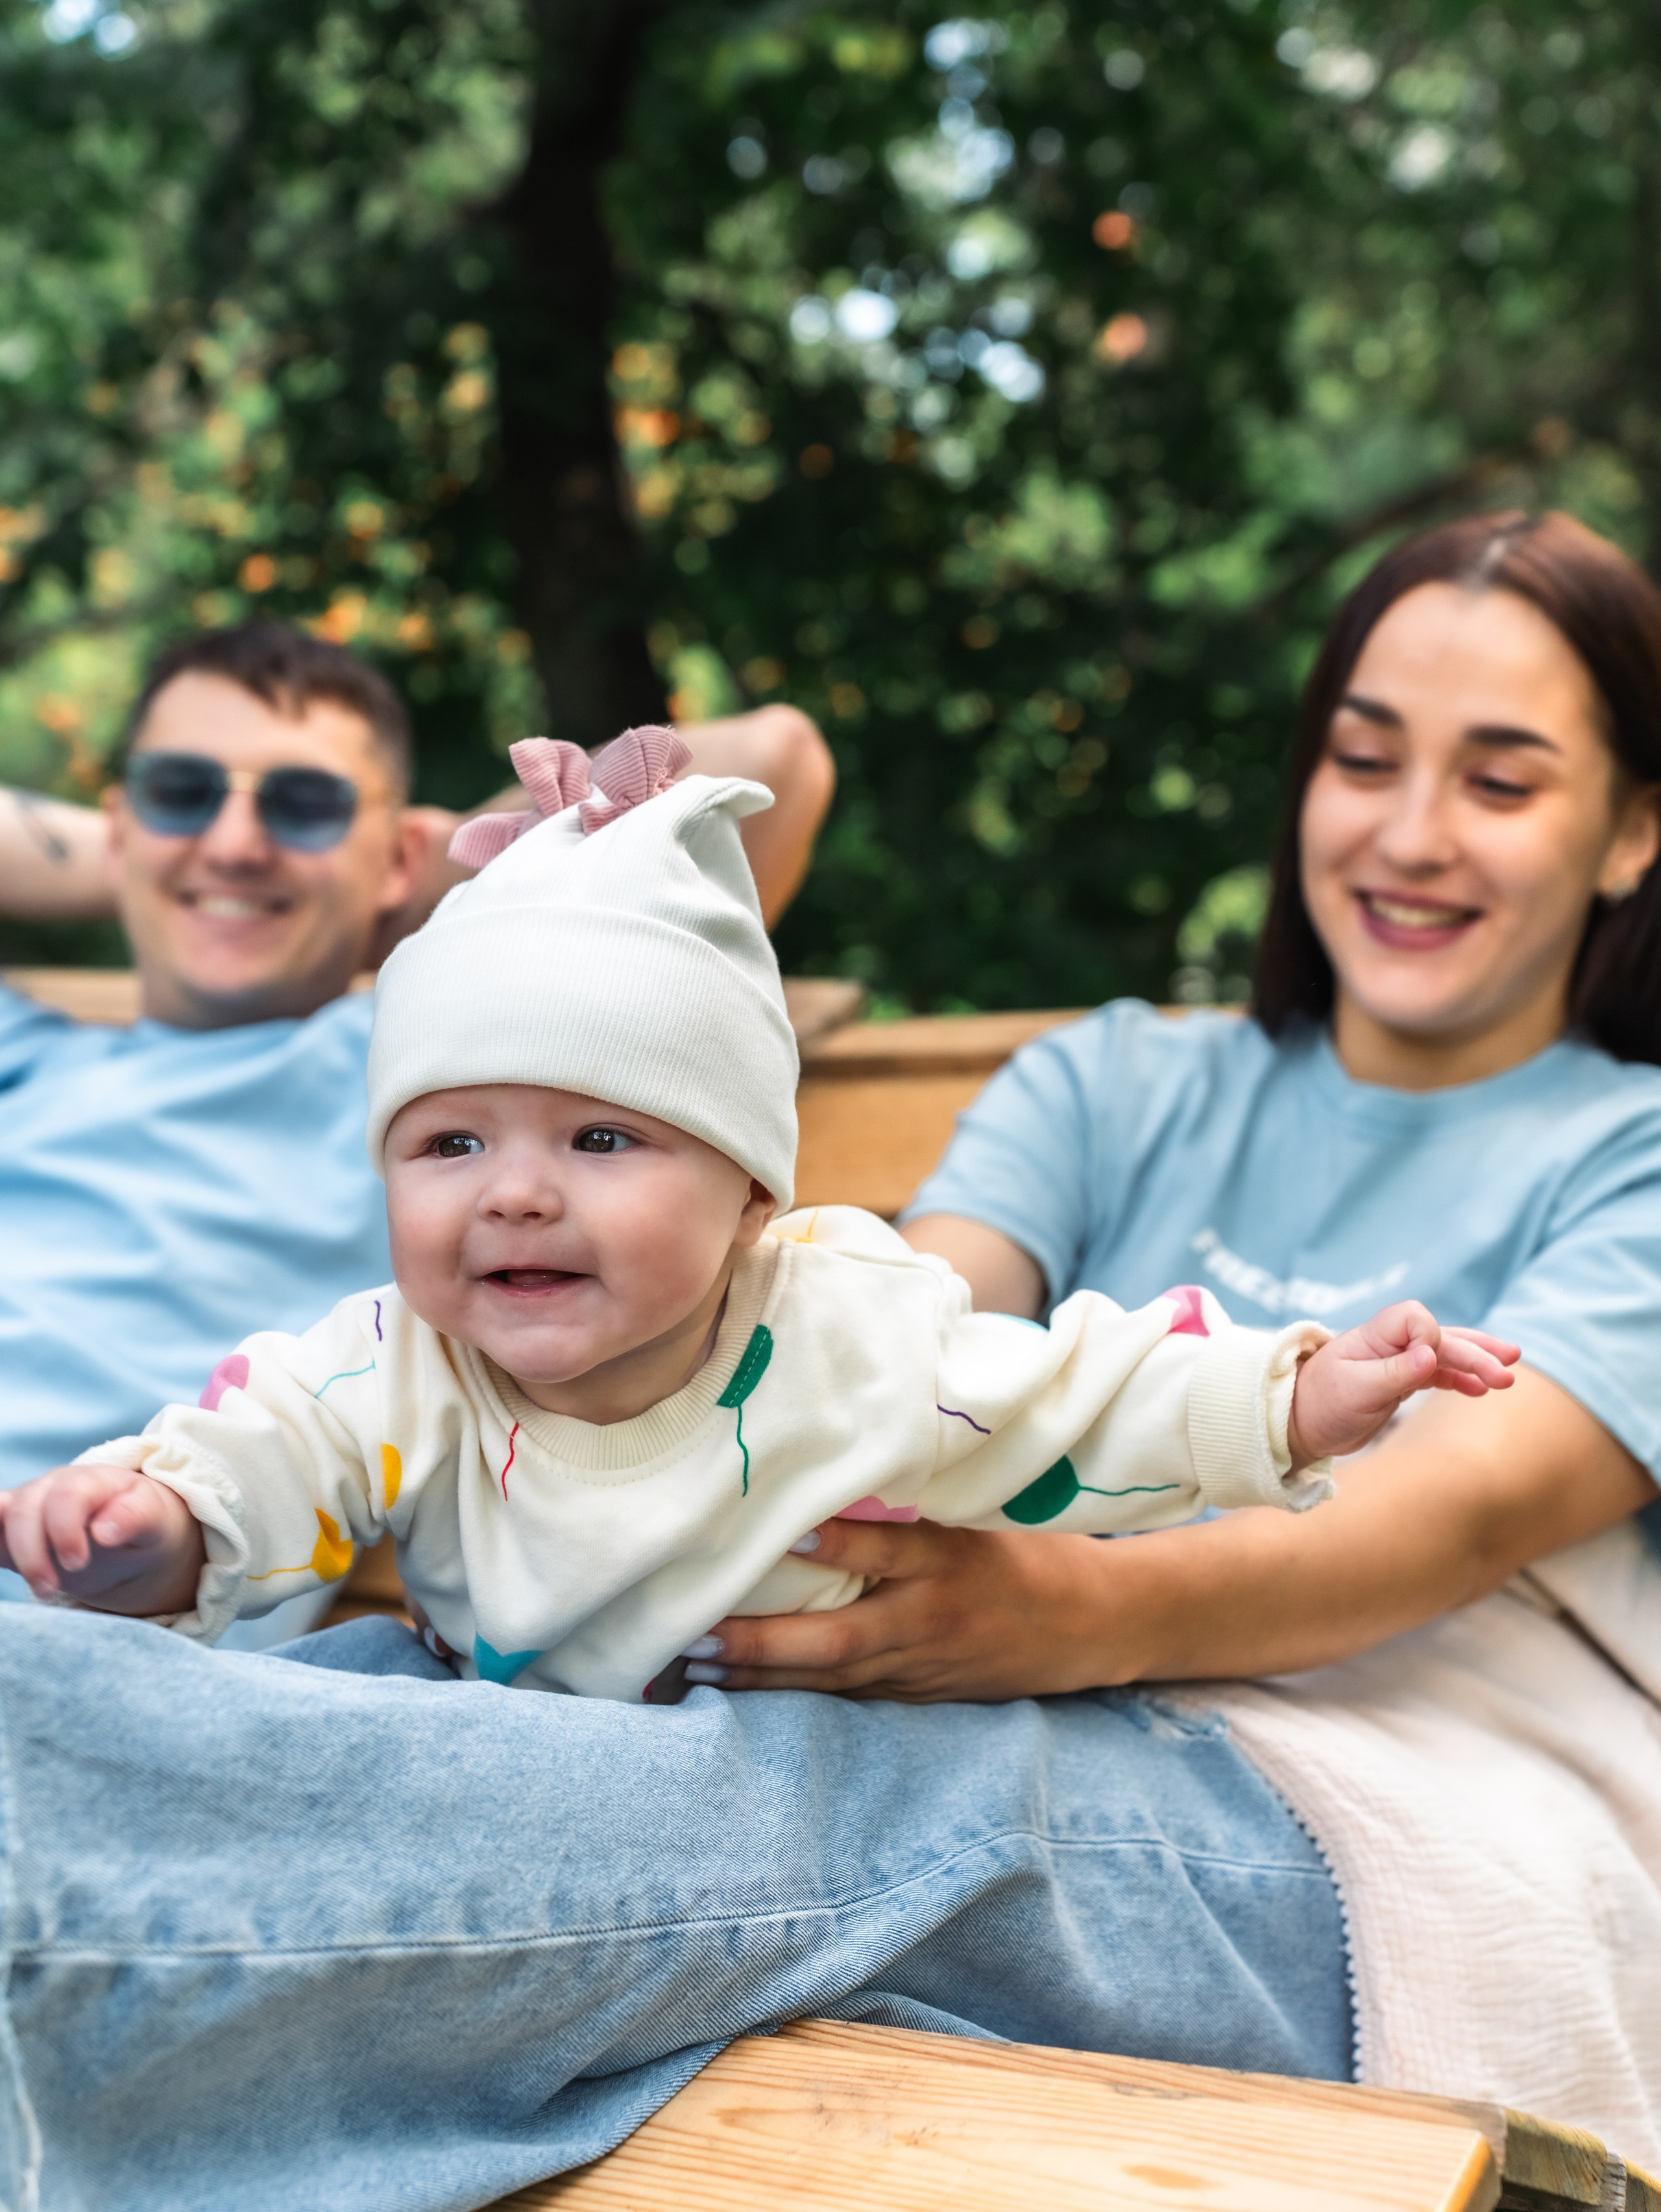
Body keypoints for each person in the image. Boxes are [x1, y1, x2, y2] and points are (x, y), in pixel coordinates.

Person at [668, 511, 1661, 2154]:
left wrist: (1058, 1611)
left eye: (1497, 782)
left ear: (1632, 832)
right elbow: (883, 1343)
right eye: (1362, 760)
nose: (1410, 835)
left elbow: (1455, 1511)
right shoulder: (1109, 1082)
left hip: (1369, 1792)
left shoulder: (1631, 1149)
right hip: (993, 1728)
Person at [1, 728, 1514, 1694]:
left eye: (601, 1135)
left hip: (785, 1727)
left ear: (748, 1198)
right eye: (448, 1142)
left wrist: (1300, 1394)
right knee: (334, 1683)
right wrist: (160, 1530)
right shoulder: (400, 1360)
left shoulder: (847, 1338)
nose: (515, 1191)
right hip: (495, 1724)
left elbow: (1071, 1395)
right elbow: (277, 1446)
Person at [0, 623, 834, 1640]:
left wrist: (474, 870)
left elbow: (776, 758)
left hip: (100, 1592)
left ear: (399, 852)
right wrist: (152, 852)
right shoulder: (22, 1049)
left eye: (306, 805)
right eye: (183, 791)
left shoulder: (439, 1064)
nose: (235, 839)